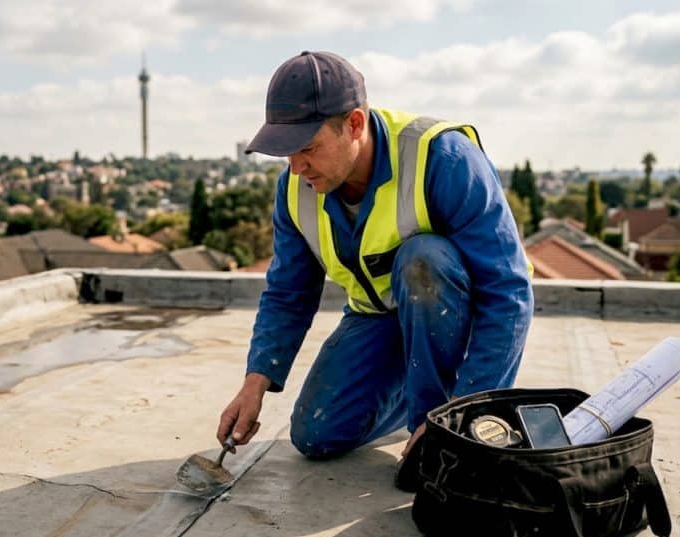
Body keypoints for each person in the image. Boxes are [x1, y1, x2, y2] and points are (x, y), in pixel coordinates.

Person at [216, 51, 533, 490]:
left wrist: (465, 413)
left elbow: (508, 292)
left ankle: (439, 415)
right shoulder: (296, 188)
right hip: (378, 318)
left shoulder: (443, 158)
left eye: (307, 148)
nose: (296, 167)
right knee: (315, 434)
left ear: (355, 125)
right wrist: (254, 383)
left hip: (454, 317)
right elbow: (289, 291)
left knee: (424, 260)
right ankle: (418, 395)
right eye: (286, 152)